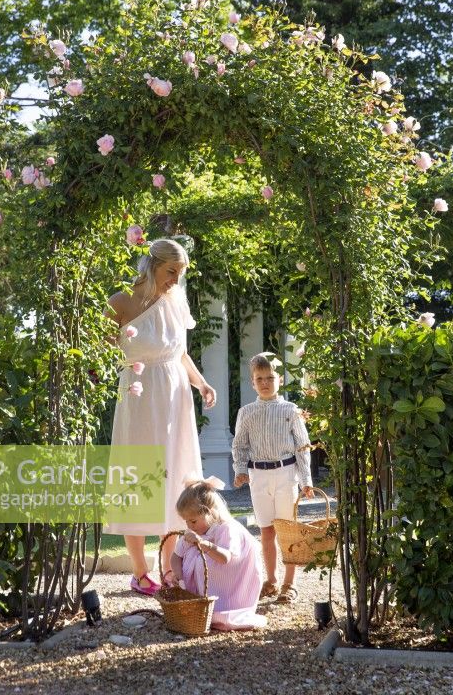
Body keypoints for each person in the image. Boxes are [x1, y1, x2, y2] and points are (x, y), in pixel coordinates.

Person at [106, 238, 216, 596]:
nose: (175, 280)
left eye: (180, 274)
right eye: (172, 272)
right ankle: (140, 573)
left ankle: (169, 570)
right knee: (139, 478)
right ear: (152, 265)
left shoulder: (175, 302)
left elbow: (180, 354)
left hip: (174, 399)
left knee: (174, 476)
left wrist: (201, 384)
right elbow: (96, 350)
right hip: (138, 399)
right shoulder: (120, 302)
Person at [232, 353, 314, 603]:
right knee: (266, 531)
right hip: (259, 476)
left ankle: (290, 583)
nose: (265, 382)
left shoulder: (291, 410)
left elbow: (302, 446)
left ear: (279, 380)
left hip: (285, 474)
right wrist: (240, 470)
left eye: (270, 377)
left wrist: (306, 480)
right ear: (252, 382)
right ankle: (271, 579)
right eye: (260, 378)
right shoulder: (246, 412)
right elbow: (240, 445)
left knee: (287, 530)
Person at [170, 478, 267, 631]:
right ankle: (200, 606)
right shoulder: (193, 532)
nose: (189, 526)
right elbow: (176, 556)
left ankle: (220, 610)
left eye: (193, 521)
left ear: (209, 513)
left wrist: (204, 544)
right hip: (202, 584)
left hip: (228, 582)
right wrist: (179, 575)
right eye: (186, 521)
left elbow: (225, 558)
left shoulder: (226, 529)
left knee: (204, 563)